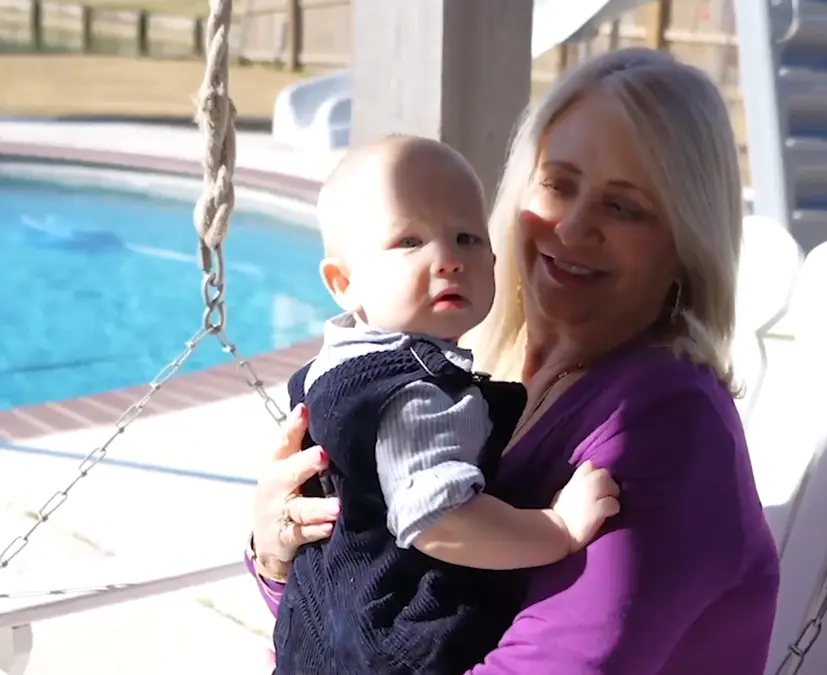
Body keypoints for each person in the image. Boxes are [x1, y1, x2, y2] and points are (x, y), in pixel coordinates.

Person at [248, 46, 781, 674]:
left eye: (624, 206)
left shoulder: (666, 424)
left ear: (684, 246)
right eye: (559, 184)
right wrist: (279, 548)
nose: (574, 227)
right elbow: (359, 607)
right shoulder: (465, 369)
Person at [269, 136, 622, 675]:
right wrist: (558, 530)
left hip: (318, 639)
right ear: (343, 282)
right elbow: (437, 518)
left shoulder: (328, 370)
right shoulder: (417, 394)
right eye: (410, 241)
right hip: (403, 648)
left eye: (466, 238)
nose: (449, 260)